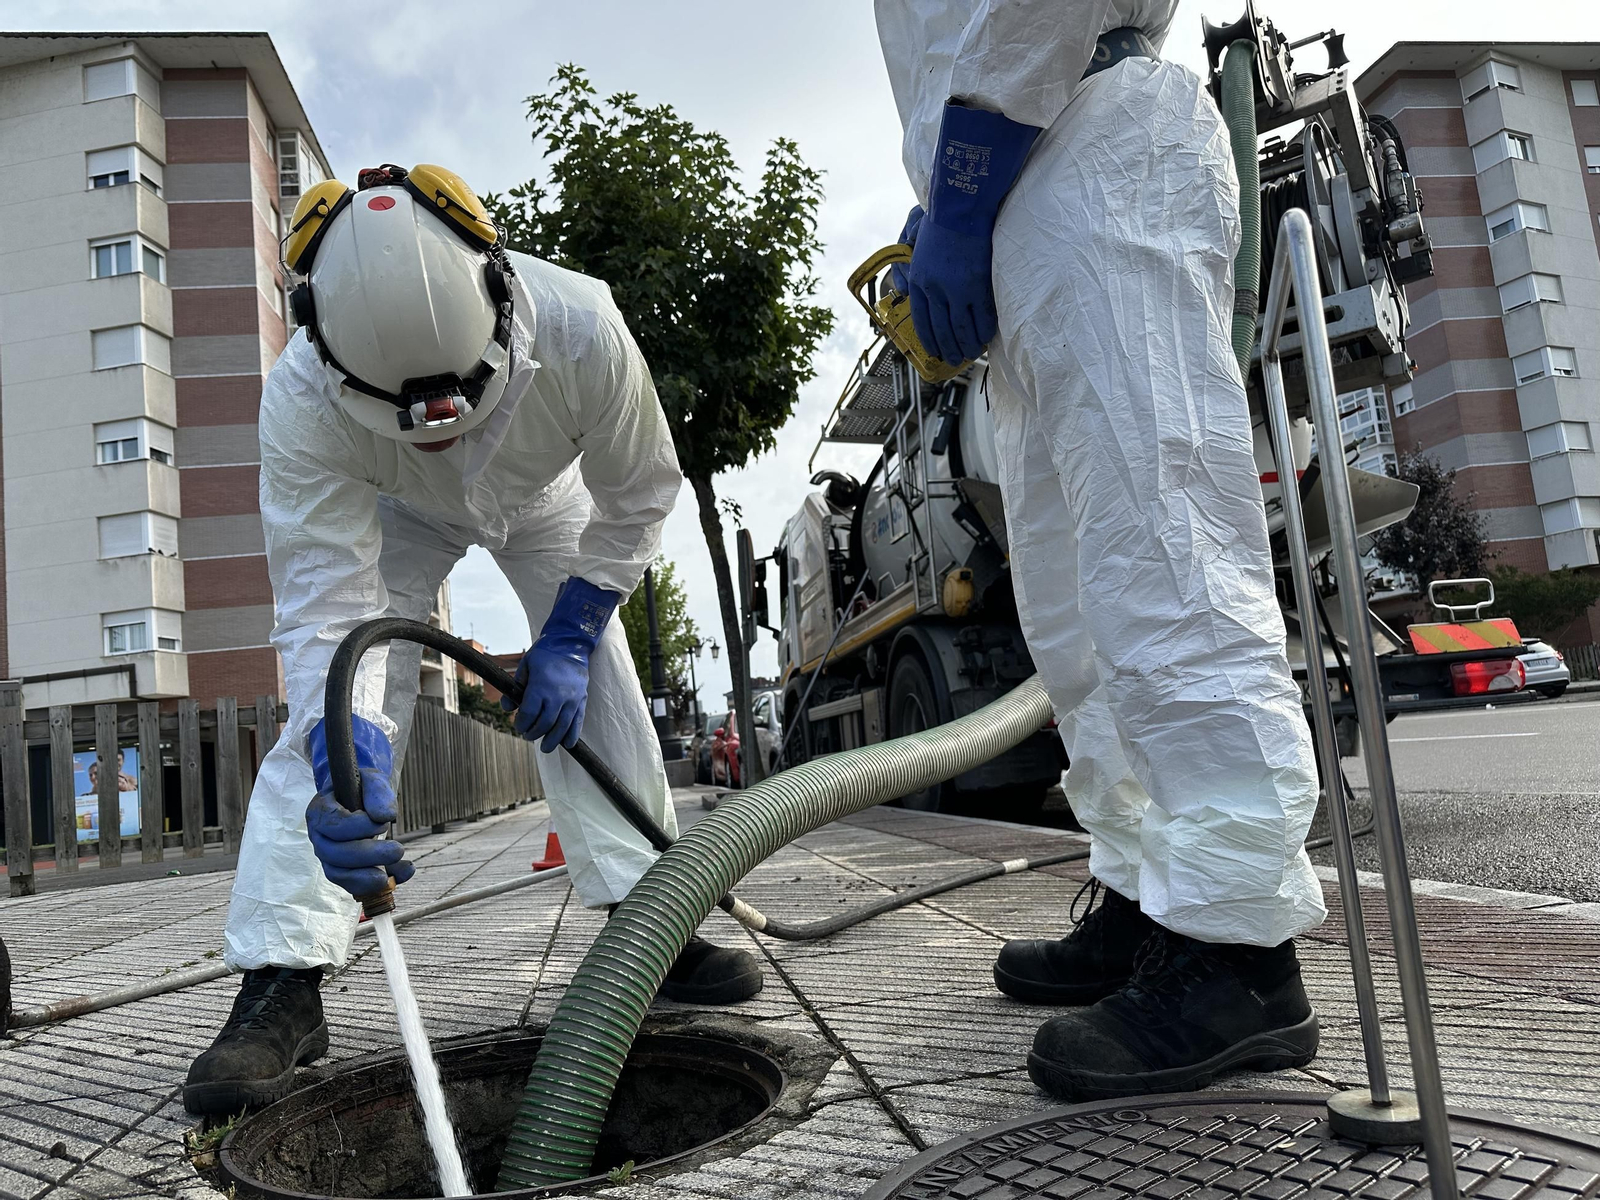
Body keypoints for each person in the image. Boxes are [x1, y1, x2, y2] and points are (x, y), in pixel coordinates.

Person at [184, 164, 762, 1117]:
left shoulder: (581, 323)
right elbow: (325, 604)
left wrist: (573, 631)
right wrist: (344, 746)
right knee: (337, 695)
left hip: (546, 497)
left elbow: (641, 492)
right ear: (333, 360)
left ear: (499, 296)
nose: (445, 438)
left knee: (606, 677)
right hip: (395, 510)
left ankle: (646, 923)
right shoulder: (299, 400)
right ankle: (283, 978)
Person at [875, 3, 1326, 1101]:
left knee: (1163, 550)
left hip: (1093, 143)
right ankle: (1147, 895)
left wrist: (961, 193)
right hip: (1029, 185)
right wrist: (946, 206)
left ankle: (1238, 951)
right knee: (1080, 606)